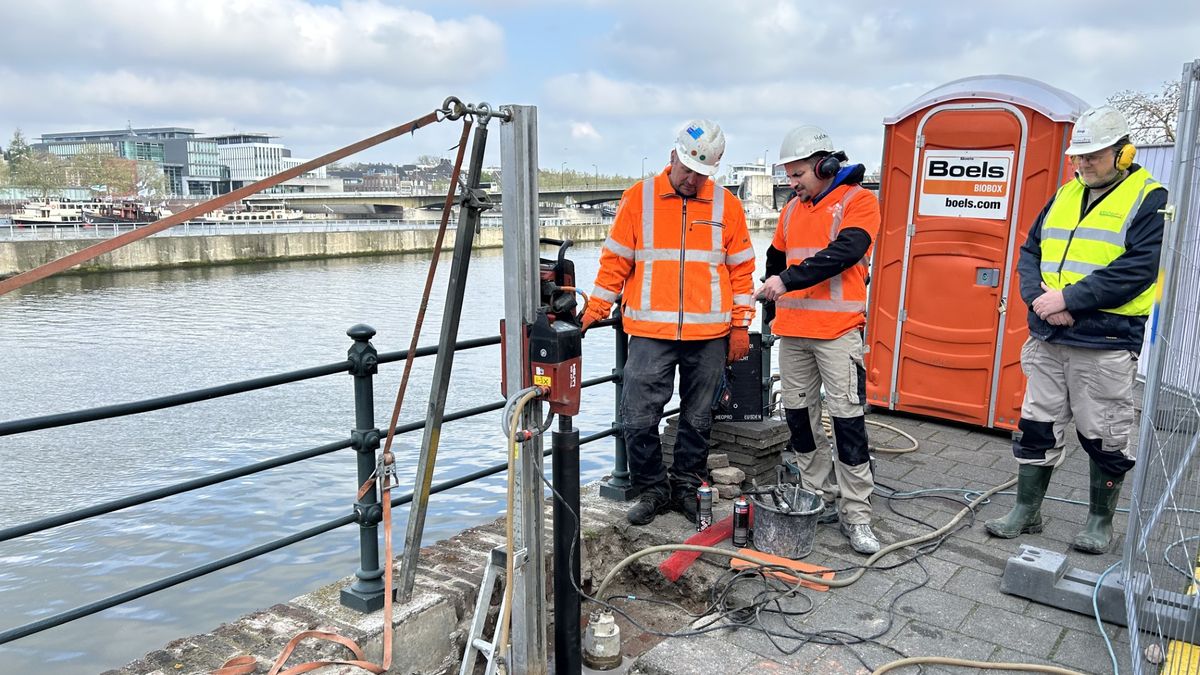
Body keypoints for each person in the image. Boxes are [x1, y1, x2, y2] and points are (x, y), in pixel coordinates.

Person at [985, 105, 1166, 554]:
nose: (1082, 164)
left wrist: (1069, 300)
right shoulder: (1066, 193)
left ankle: (1099, 520)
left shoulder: (1150, 198)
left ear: (1124, 154)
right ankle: (1027, 511)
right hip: (1049, 336)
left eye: (1093, 156)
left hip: (1103, 342)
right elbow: (1030, 252)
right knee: (1037, 425)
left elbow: (1138, 268)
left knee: (1105, 434)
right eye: (1078, 156)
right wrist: (1040, 301)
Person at [581, 119, 756, 526]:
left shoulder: (725, 205)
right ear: (672, 156)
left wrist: (740, 326)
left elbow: (742, 271)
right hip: (649, 334)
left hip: (709, 334)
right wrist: (595, 309)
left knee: (698, 418)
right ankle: (653, 489)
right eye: (689, 171)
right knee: (638, 417)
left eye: (703, 175)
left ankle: (687, 487)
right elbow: (615, 263)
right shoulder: (637, 199)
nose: (694, 181)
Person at [755, 125, 881, 555]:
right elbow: (775, 256)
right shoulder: (792, 209)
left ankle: (857, 513)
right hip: (792, 334)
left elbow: (845, 252)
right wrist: (770, 306)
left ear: (825, 165)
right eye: (788, 176)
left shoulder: (857, 201)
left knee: (847, 421)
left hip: (837, 333)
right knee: (798, 419)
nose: (792, 184)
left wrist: (785, 281)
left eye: (798, 175)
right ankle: (816, 493)